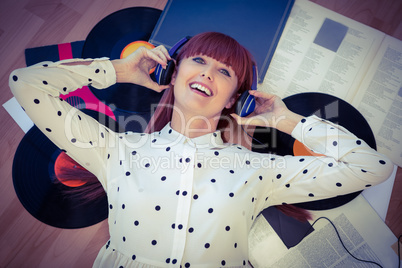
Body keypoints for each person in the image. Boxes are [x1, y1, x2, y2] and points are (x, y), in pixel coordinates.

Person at [10, 32, 393, 268]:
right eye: (199, 59)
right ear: (171, 73)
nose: (209, 73)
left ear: (234, 100)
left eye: (225, 72)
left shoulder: (258, 170)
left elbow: (372, 167)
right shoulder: (116, 149)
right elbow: (23, 83)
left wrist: (284, 119)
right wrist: (121, 71)